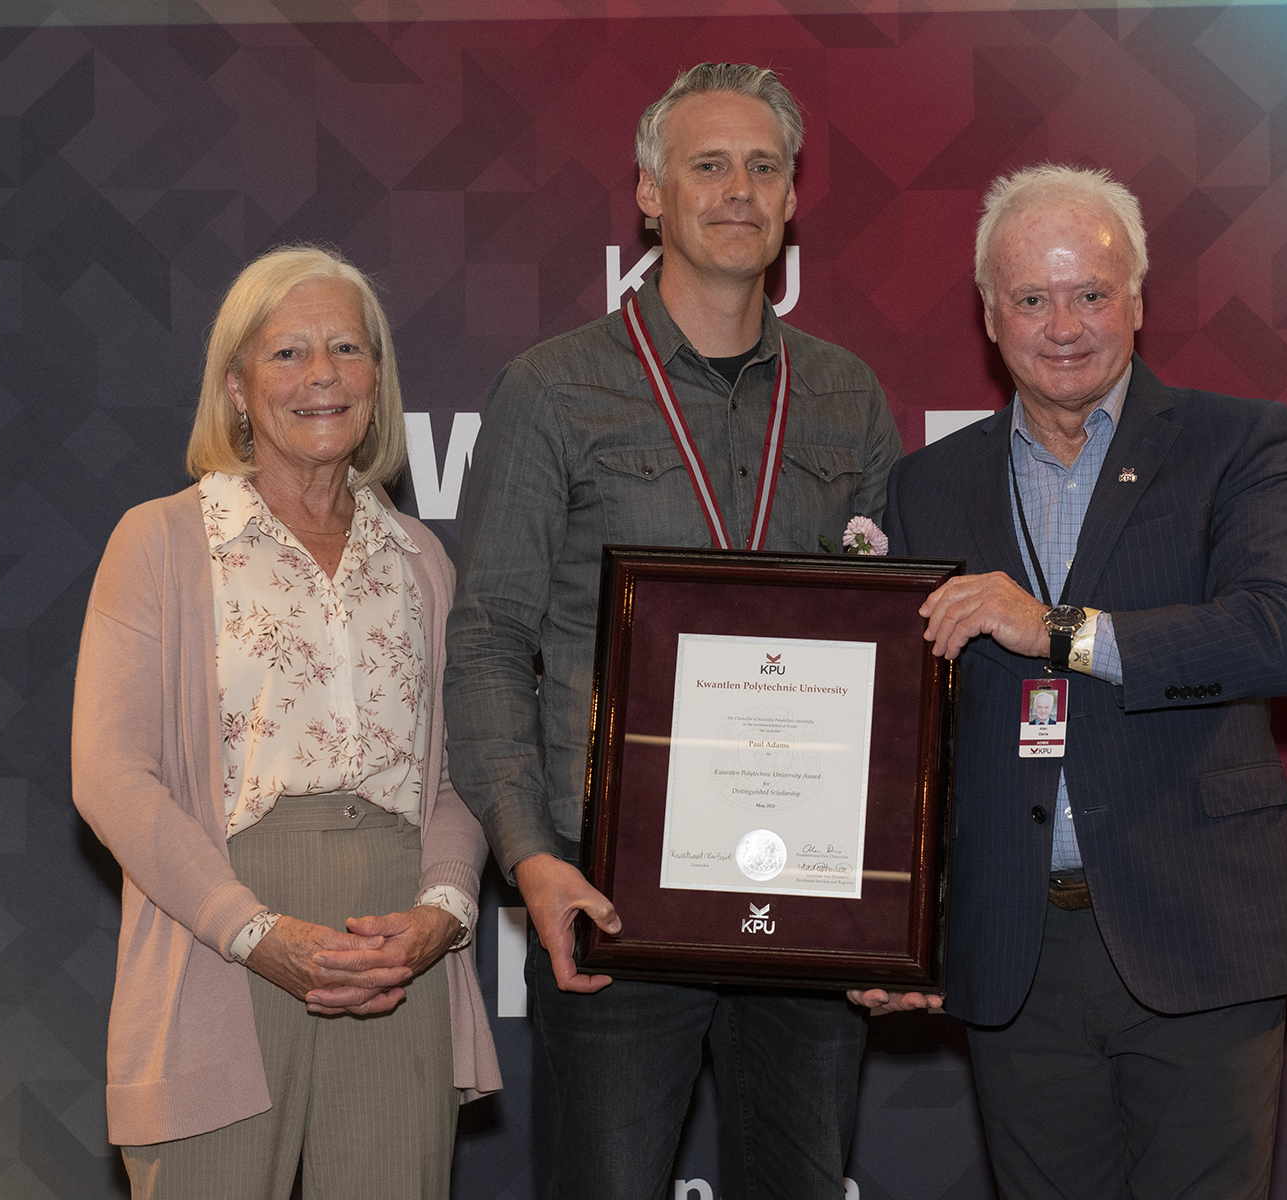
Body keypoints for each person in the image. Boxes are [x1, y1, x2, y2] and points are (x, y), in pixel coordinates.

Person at [445, 63, 905, 1200]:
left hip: (811, 911)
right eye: (707, 165)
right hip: (611, 900)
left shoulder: (849, 399)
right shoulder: (551, 391)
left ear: (795, 198)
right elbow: (491, 636)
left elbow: (899, 672)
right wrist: (530, 857)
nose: (737, 190)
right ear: (651, 196)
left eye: (764, 167)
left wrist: (902, 899)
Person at [875, 164, 1287, 1198]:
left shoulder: (1235, 442)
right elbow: (909, 737)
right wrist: (891, 928)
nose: (1065, 325)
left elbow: (1278, 634)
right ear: (990, 315)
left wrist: (1060, 632)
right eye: (1033, 298)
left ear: (1138, 298)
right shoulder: (928, 485)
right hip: (1017, 950)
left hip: (1199, 931)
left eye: (1091, 293)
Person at [72, 246, 501, 1199]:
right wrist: (254, 932)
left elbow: (457, 780)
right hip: (218, 943)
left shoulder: (421, 561)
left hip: (399, 961)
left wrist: (442, 912)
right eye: (288, 353)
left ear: (378, 381)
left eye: (347, 349)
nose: (322, 376)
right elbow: (108, 773)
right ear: (235, 385)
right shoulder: (163, 542)